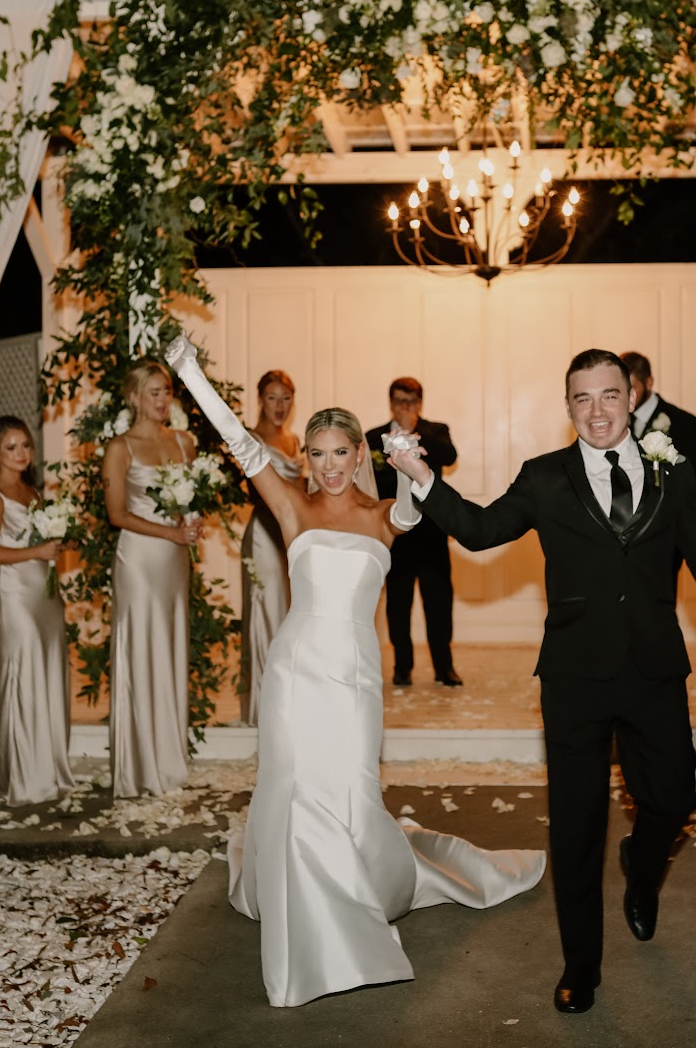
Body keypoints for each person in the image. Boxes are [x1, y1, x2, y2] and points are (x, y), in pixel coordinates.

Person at [166, 336, 545, 1008]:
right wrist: (189, 372)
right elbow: (237, 440)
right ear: (306, 459)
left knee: (348, 790)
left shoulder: (382, 516)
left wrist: (411, 464)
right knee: (294, 788)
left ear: (358, 455)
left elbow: (413, 507)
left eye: (341, 452)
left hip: (357, 680)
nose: (330, 465)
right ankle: (311, 929)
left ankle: (354, 892)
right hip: (295, 673)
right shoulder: (291, 503)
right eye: (318, 453)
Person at [396, 348, 696, 1016]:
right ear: (568, 407)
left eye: (609, 395)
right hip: (573, 675)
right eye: (582, 398)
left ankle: (643, 869)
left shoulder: (671, 469)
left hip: (654, 667)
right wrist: (424, 479)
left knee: (673, 798)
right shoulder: (545, 477)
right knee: (575, 826)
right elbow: (480, 530)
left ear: (632, 397)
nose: (597, 411)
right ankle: (580, 965)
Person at [101, 360, 204, 799]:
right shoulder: (119, 447)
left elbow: (192, 499)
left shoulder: (184, 442)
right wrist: (171, 534)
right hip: (140, 561)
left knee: (171, 647)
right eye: (154, 392)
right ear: (134, 397)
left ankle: (170, 759)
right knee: (143, 649)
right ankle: (142, 764)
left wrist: (192, 523)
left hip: (174, 562)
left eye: (167, 391)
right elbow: (116, 515)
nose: (163, 400)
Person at [0, 416, 74, 807]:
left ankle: (49, 770)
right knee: (23, 680)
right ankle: (24, 777)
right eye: (11, 447)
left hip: (44, 596)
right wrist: (37, 550)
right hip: (16, 599)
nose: (21, 453)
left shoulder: (32, 493)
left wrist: (58, 543)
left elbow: (38, 542)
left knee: (48, 676)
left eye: (26, 445)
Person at [366, 377, 461, 686]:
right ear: (390, 402)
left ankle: (444, 667)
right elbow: (371, 482)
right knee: (398, 603)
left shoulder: (436, 431)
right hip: (396, 532)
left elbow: (449, 457)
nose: (404, 407)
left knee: (439, 602)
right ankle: (402, 666)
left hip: (432, 532)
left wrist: (414, 428)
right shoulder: (374, 437)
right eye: (399, 401)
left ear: (419, 403)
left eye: (410, 401)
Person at [240, 370, 306, 725]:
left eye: (286, 398)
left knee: (294, 616)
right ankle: (263, 707)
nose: (279, 406)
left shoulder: (294, 440)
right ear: (260, 400)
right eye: (272, 398)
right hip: (265, 535)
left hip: (293, 536)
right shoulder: (250, 438)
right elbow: (257, 493)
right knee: (267, 615)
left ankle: (290, 702)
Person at [621, 352, 696, 505]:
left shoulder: (682, 423)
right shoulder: (615, 421)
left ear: (649, 383)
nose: (627, 396)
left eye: (632, 388)